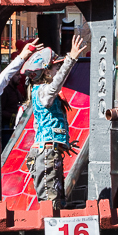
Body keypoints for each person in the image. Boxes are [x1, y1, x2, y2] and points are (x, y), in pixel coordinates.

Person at [20, 36, 87, 211]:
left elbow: (41, 126)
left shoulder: (38, 92)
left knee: (55, 198)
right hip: (46, 153)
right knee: (51, 202)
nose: (59, 69)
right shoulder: (44, 92)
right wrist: (71, 59)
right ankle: (47, 234)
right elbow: (56, 85)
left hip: (49, 150)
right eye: (57, 66)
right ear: (47, 72)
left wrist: (61, 142)